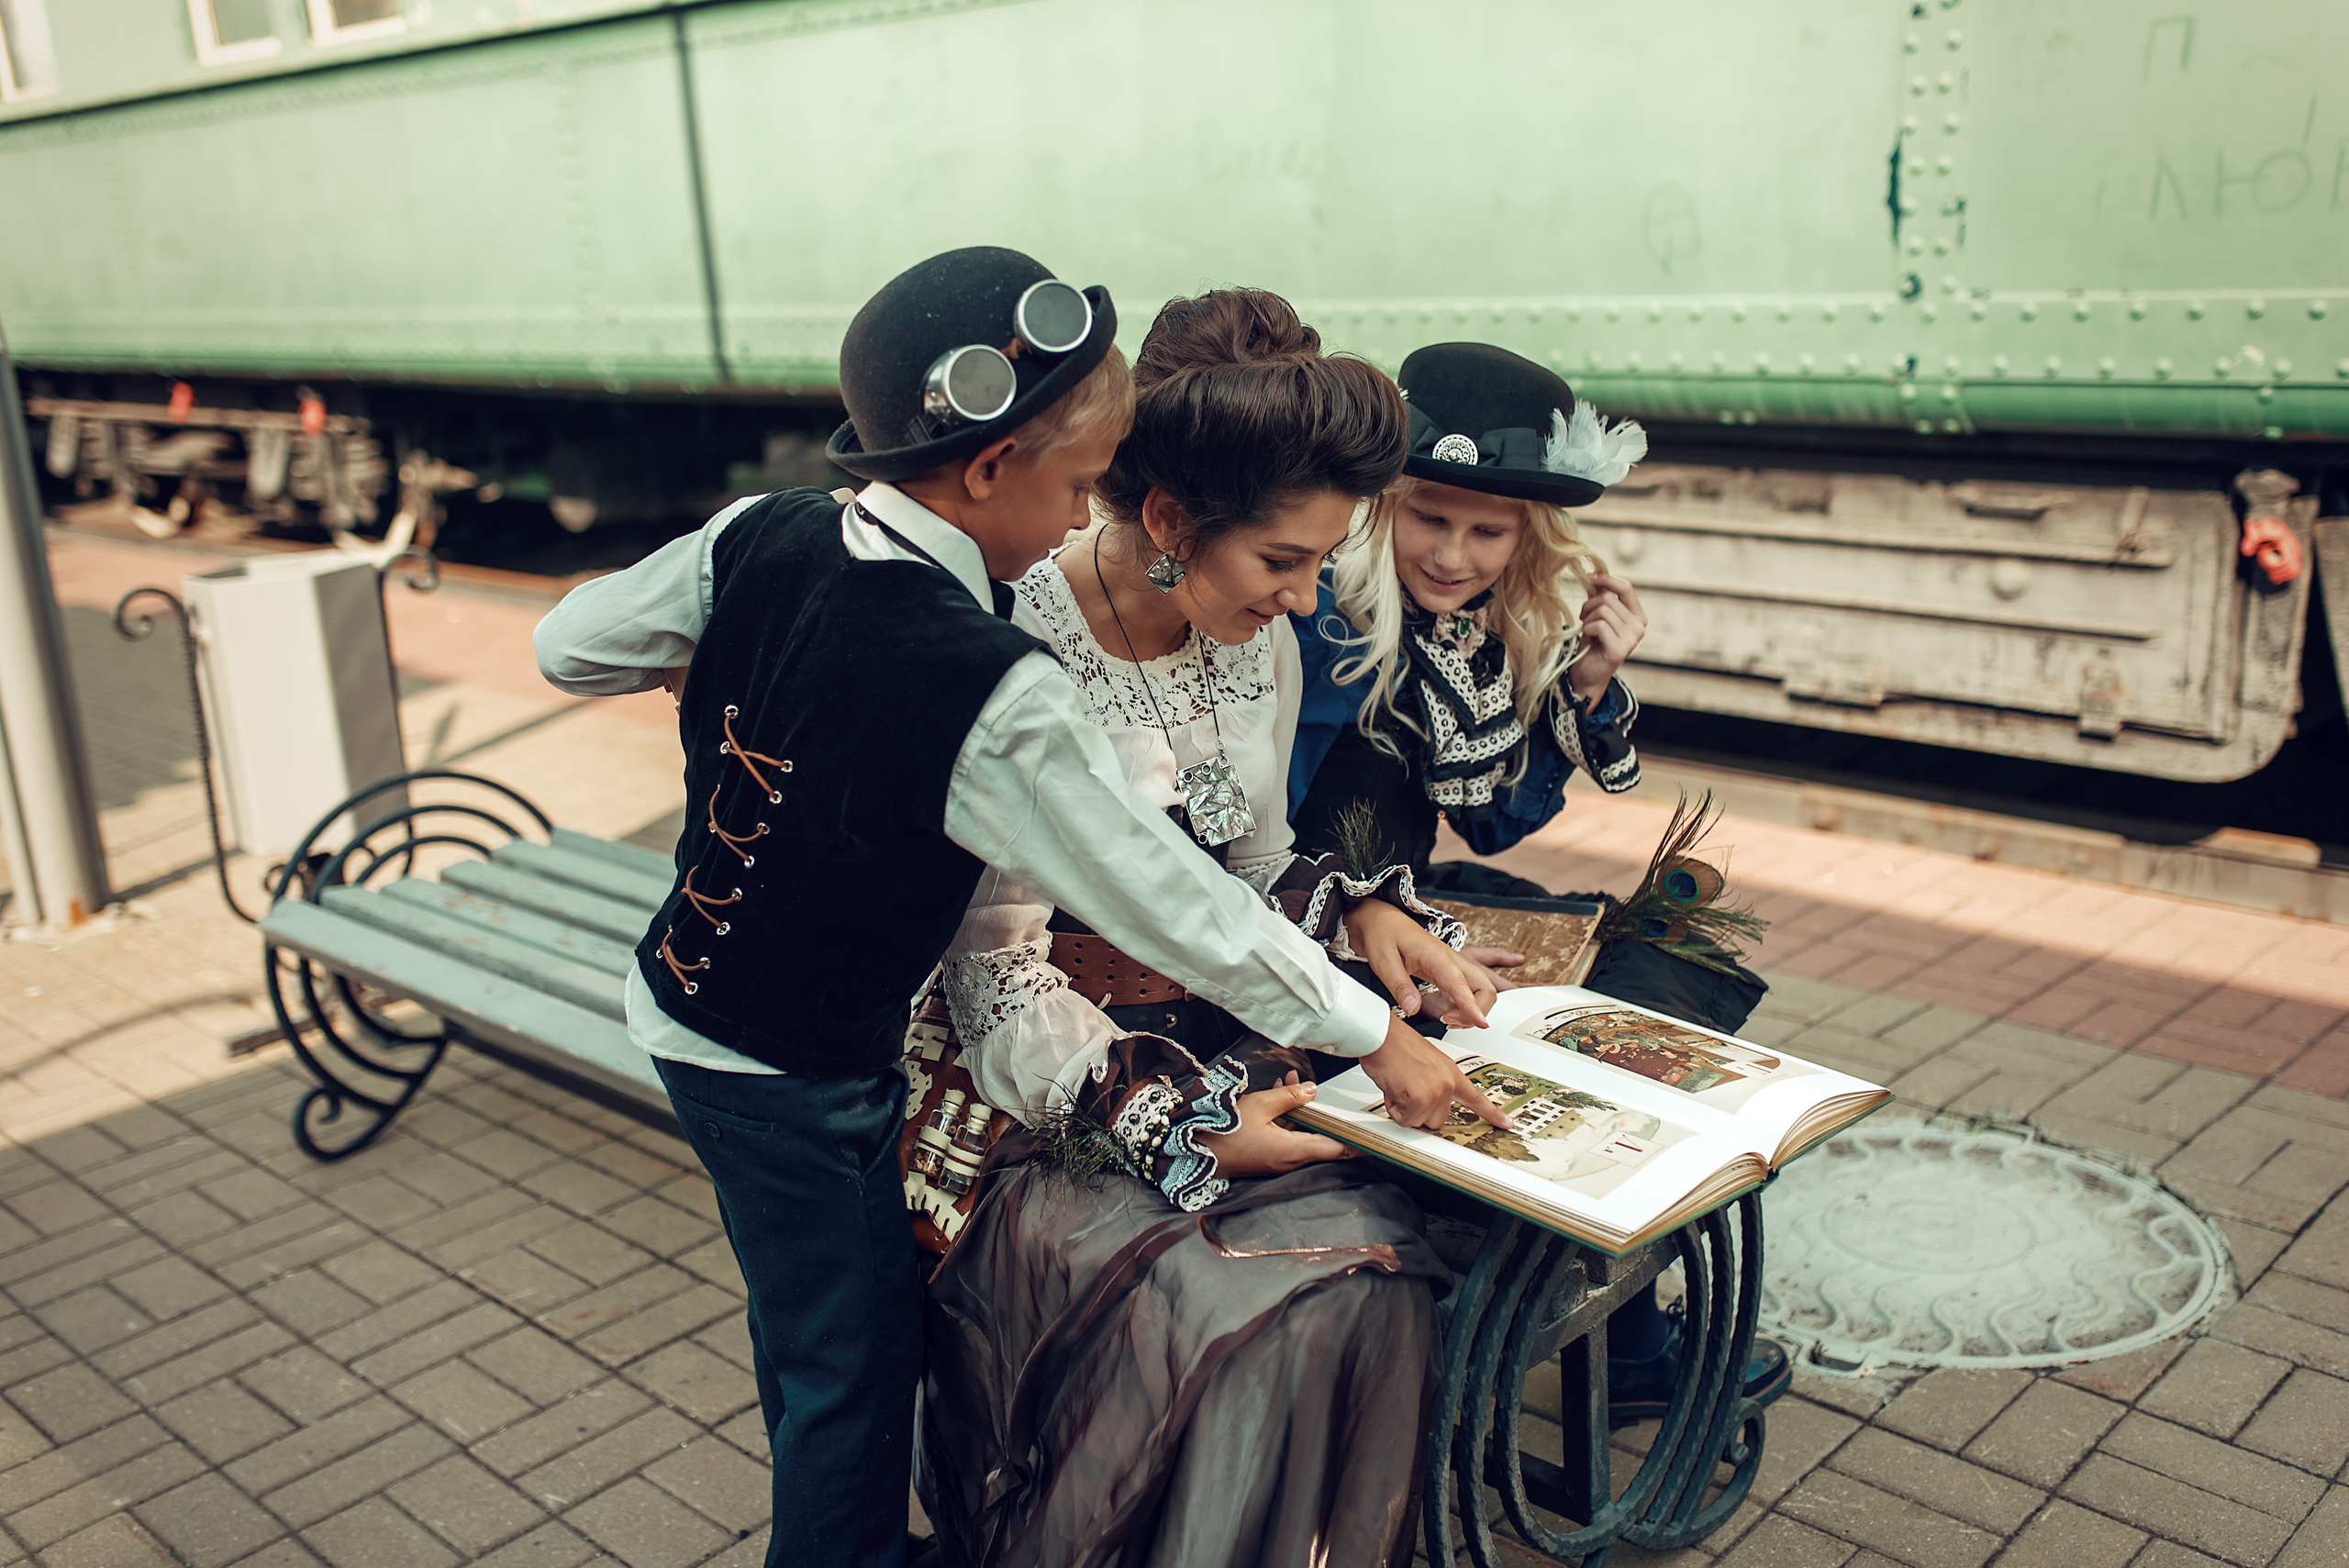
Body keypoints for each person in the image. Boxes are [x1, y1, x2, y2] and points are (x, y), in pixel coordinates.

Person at [531, 250, 1497, 1568]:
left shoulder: (767, 533)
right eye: (1075, 480)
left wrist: (759, 678)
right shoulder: (993, 673)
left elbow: (569, 644)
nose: (1081, 509)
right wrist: (1356, 1038)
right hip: (810, 1057)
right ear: (995, 472)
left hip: (694, 1001)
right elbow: (1156, 901)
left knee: (816, 1339)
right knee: (851, 1382)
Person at [919, 290, 1493, 1568]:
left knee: (1386, 1261)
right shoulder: (1018, 656)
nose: (1306, 601)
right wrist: (1185, 1125)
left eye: (1320, 562)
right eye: (1281, 563)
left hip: (1215, 1024)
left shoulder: (1252, 642)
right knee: (1241, 1299)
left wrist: (1365, 913)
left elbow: (1251, 861)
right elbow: (998, 984)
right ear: (1170, 523)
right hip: (1034, 1079)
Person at [1286, 339, 1789, 1422]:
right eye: (1431, 515)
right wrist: (1369, 905)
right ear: (1383, 502)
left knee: (1650, 981)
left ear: (1530, 535)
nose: (1455, 553)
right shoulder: (1323, 613)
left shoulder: (1464, 632)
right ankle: (1621, 1348)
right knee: (1583, 1043)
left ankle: (1629, 1343)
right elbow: (1258, 829)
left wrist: (1591, 683)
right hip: (1306, 936)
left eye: (1488, 528)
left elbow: (1494, 818)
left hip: (1401, 916)